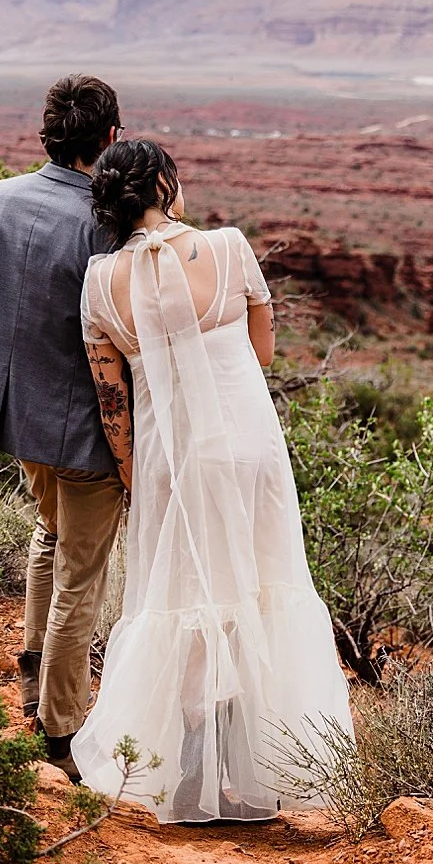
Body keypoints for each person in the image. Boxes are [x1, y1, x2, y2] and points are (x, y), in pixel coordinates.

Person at [71, 138, 352, 822]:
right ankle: (273, 769)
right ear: (167, 184)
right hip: (248, 449)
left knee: (180, 597)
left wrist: (142, 481)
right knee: (261, 587)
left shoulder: (99, 282)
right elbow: (260, 353)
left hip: (172, 460)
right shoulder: (229, 248)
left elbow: (113, 404)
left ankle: (180, 771)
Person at [0, 74, 125, 779]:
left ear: (47, 133)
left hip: (16, 414)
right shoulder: (107, 222)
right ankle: (59, 735)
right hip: (88, 430)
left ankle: (34, 682)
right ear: (110, 138)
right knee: (81, 580)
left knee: (48, 534)